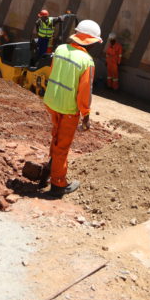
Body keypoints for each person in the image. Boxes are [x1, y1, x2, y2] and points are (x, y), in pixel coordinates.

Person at [41, 19, 102, 197]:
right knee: (62, 147)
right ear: (90, 42)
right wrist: (86, 115)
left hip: (52, 102)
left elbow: (53, 72)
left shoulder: (60, 49)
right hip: (68, 109)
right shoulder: (87, 61)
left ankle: (51, 168)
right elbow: (85, 91)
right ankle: (58, 184)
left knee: (56, 136)